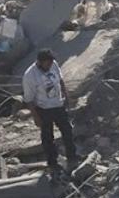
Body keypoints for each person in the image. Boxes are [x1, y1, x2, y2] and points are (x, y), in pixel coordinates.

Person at [21, 49, 80, 177]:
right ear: (40, 62)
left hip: (58, 105)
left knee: (67, 130)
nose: (50, 65)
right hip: (43, 109)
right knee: (48, 137)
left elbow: (60, 80)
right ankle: (53, 163)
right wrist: (36, 117)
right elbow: (29, 99)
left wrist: (66, 96)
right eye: (47, 63)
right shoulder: (30, 75)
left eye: (51, 62)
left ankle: (72, 157)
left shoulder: (53, 65)